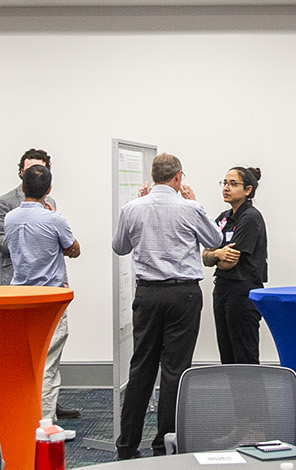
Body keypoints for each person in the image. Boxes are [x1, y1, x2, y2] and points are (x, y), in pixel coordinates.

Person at [111, 153, 225, 459]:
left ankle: (127, 446)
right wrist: (195, 202)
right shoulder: (190, 208)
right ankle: (164, 446)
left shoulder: (132, 208)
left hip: (148, 294)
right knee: (175, 370)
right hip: (183, 295)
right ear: (178, 177)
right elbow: (215, 239)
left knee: (141, 368)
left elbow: (120, 247)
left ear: (152, 176)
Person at [0, 149, 79, 419]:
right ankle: (43, 425)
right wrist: (43, 237)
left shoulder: (13, 217)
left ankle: (26, 418)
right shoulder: (45, 215)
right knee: (45, 362)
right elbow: (72, 248)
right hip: (47, 296)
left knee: (34, 361)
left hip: (23, 293)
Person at [204, 166, 267, 364]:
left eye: (233, 184)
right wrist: (217, 254)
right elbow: (205, 256)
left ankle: (250, 387)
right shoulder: (224, 218)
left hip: (242, 292)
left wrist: (216, 256)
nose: (226, 188)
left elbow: (229, 263)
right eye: (225, 183)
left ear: (248, 190)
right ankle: (234, 388)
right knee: (227, 355)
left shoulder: (250, 217)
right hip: (222, 290)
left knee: (244, 355)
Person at [0, 148, 59, 284]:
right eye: (29, 171)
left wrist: (63, 279)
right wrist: (27, 242)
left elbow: (56, 243)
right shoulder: (5, 201)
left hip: (46, 278)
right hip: (13, 277)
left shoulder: (50, 202)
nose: (35, 174)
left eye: (40, 170)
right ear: (21, 172)